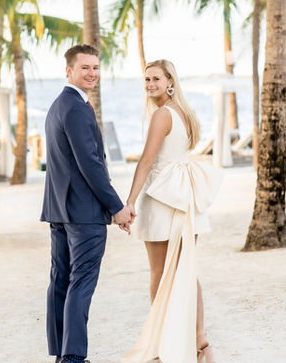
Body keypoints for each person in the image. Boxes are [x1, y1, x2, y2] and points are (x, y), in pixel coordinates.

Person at [122, 59, 222, 363]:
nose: (150, 84)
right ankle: (200, 342)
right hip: (183, 196)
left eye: (156, 79)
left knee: (159, 271)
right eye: (146, 79)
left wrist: (129, 202)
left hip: (162, 197)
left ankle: (162, 340)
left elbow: (146, 161)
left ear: (170, 82)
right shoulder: (185, 114)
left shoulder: (162, 115)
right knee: (185, 271)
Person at [41, 44, 134, 363]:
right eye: (85, 68)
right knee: (80, 281)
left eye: (96, 67)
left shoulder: (58, 105)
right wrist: (116, 207)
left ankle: (62, 354)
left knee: (61, 280)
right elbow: (90, 163)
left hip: (60, 208)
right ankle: (73, 358)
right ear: (68, 70)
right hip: (83, 213)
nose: (92, 73)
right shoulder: (77, 107)